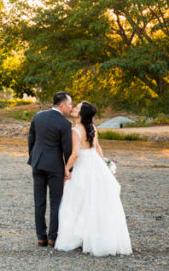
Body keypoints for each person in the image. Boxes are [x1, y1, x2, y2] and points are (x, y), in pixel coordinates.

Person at [54, 101, 132, 256]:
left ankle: (81, 237)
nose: (74, 109)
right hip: (95, 164)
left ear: (82, 114)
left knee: (79, 201)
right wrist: (104, 166)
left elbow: (75, 153)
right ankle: (98, 237)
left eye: (77, 108)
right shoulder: (93, 128)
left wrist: (66, 168)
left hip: (83, 166)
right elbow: (97, 149)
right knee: (97, 201)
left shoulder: (76, 130)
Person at [27, 91, 73, 247]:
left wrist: (33, 157)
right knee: (56, 202)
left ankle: (41, 237)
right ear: (62, 105)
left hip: (38, 163)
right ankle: (53, 237)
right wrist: (69, 169)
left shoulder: (38, 116)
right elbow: (67, 149)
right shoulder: (65, 124)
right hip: (54, 166)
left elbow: (31, 139)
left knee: (39, 201)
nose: (71, 107)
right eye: (70, 104)